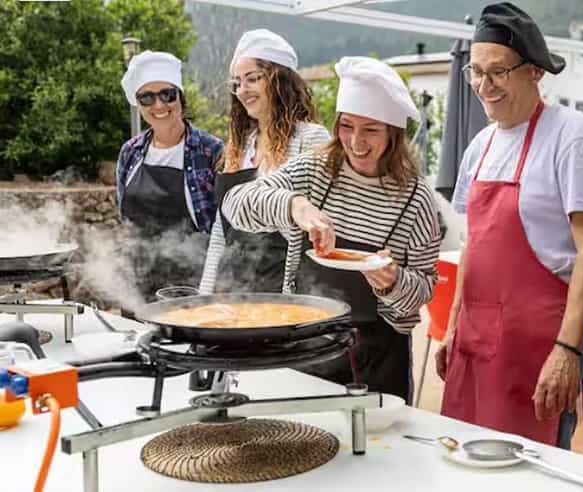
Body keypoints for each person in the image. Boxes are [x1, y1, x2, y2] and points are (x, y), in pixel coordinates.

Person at [435, 2, 583, 450]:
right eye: (475, 72)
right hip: (476, 341)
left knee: (530, 470)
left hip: (539, 346)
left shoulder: (570, 136)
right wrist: (454, 326)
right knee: (465, 465)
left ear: (535, 71)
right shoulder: (479, 145)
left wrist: (568, 351)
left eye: (497, 71)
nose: (483, 85)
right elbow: (474, 244)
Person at [222, 57, 442, 402]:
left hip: (380, 355)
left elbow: (426, 287)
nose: (356, 142)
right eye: (347, 126)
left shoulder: (416, 199)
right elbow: (236, 203)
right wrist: (295, 205)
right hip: (307, 341)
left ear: (393, 134)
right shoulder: (315, 170)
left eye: (371, 129)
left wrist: (394, 282)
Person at [198, 29, 329, 295]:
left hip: (279, 286)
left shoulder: (311, 137)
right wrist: (205, 292)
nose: (242, 90)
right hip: (230, 284)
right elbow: (221, 230)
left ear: (278, 80)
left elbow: (314, 222)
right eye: (237, 82)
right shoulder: (240, 144)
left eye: (252, 79)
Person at [117, 51, 223, 304]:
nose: (159, 105)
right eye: (146, 98)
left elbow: (224, 225)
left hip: (194, 279)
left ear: (180, 97)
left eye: (167, 94)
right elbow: (123, 217)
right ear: (138, 104)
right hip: (138, 276)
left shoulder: (211, 150)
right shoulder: (130, 152)